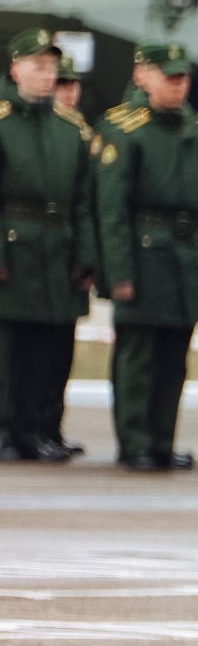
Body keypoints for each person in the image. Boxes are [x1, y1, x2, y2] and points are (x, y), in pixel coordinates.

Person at [96, 41, 198, 471]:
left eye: (182, 76)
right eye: (168, 75)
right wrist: (118, 273)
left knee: (174, 359)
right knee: (139, 358)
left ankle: (162, 439)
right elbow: (111, 210)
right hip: (144, 251)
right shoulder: (124, 129)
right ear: (141, 75)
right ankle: (135, 442)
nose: (178, 84)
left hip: (187, 254)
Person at [0, 29, 95, 462]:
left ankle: (43, 427)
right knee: (10, 347)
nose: (46, 76)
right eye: (37, 67)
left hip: (58, 247)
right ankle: (7, 429)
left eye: (52, 68)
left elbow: (84, 199)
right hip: (15, 245)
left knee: (53, 346)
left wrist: (87, 255)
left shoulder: (70, 128)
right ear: (15, 68)